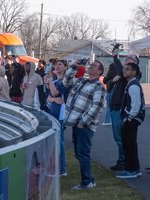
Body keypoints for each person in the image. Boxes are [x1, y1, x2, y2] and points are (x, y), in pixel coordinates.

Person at [63, 60, 105, 189]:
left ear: (99, 71)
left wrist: (83, 122)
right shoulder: (81, 81)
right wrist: (73, 67)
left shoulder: (98, 86)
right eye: (90, 65)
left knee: (83, 153)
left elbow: (97, 106)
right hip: (76, 123)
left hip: (85, 126)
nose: (90, 66)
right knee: (79, 153)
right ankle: (88, 181)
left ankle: (87, 182)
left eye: (94, 66)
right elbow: (66, 82)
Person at [109, 52, 140, 171]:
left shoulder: (133, 76)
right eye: (126, 58)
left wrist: (115, 57)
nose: (127, 60)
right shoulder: (122, 74)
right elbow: (108, 84)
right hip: (114, 108)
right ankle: (123, 160)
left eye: (131, 59)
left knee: (122, 138)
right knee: (118, 137)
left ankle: (125, 162)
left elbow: (119, 68)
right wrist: (112, 81)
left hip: (121, 110)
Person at [115, 62, 145, 179]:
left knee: (129, 145)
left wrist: (129, 118)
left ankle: (131, 170)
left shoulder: (133, 85)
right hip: (130, 118)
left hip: (131, 119)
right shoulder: (131, 84)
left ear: (134, 72)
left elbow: (136, 104)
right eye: (124, 69)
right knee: (130, 145)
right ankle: (135, 169)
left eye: (127, 69)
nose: (124, 71)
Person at [45, 60, 69, 176]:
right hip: (54, 110)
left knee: (59, 141)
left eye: (60, 64)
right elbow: (49, 98)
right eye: (57, 64)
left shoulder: (64, 81)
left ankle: (61, 169)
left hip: (60, 113)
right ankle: (55, 167)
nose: (57, 66)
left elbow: (54, 92)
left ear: (65, 67)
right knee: (55, 140)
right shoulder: (56, 81)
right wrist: (54, 99)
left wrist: (50, 82)